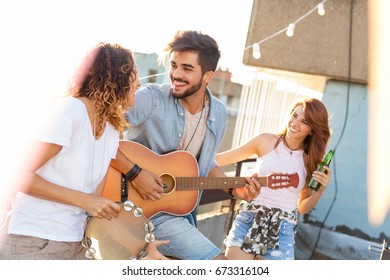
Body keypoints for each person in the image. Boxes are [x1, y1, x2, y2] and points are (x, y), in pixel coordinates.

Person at [0, 42, 168, 260]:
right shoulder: (70, 113)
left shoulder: (110, 129)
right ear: (115, 78)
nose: (138, 82)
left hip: (76, 243)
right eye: (133, 74)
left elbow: (96, 205)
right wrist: (85, 200)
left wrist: (141, 248)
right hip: (34, 241)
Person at [110, 30, 261, 260]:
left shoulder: (218, 113)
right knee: (218, 263)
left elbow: (205, 162)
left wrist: (233, 188)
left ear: (208, 76)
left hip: (182, 211)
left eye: (187, 69)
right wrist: (135, 173)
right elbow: (99, 129)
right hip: (136, 210)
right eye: (174, 65)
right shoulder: (151, 98)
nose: (176, 74)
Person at [216, 97, 332, 260]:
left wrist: (319, 192)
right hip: (250, 218)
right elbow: (220, 160)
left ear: (312, 129)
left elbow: (302, 207)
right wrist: (185, 158)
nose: (294, 123)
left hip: (283, 229)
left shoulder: (311, 160)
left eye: (304, 121)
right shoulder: (266, 141)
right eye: (294, 115)